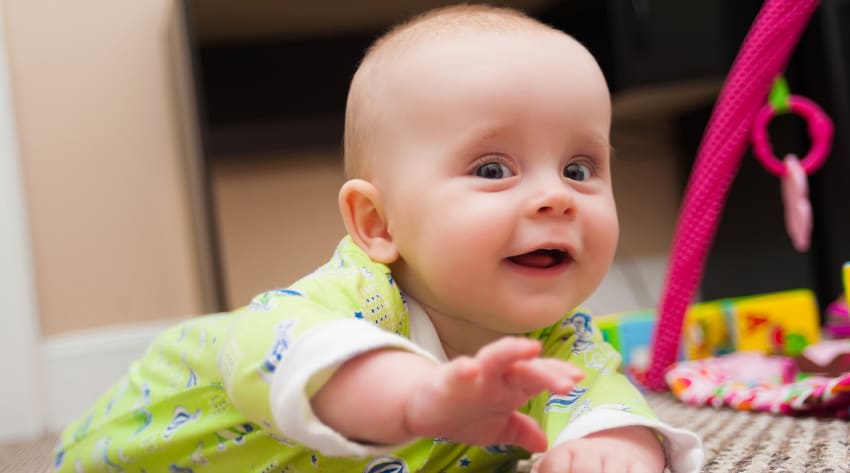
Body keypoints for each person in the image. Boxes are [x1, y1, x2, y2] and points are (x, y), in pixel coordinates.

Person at [53, 4, 703, 472]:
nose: (555, 195)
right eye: (492, 169)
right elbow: (278, 346)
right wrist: (417, 397)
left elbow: (606, 404)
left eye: (579, 167)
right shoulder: (355, 300)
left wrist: (616, 449)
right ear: (377, 224)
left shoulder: (561, 343)